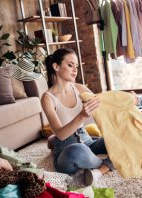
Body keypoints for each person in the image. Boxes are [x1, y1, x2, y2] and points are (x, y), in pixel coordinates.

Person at [41, 48, 114, 186]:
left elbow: (104, 103)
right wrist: (81, 116)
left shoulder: (80, 88)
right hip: (67, 149)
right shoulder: (47, 98)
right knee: (77, 151)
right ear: (56, 67)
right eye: (70, 65)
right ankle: (110, 162)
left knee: (117, 137)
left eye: (76, 66)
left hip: (87, 140)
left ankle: (99, 171)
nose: (75, 69)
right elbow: (61, 135)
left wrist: (128, 98)